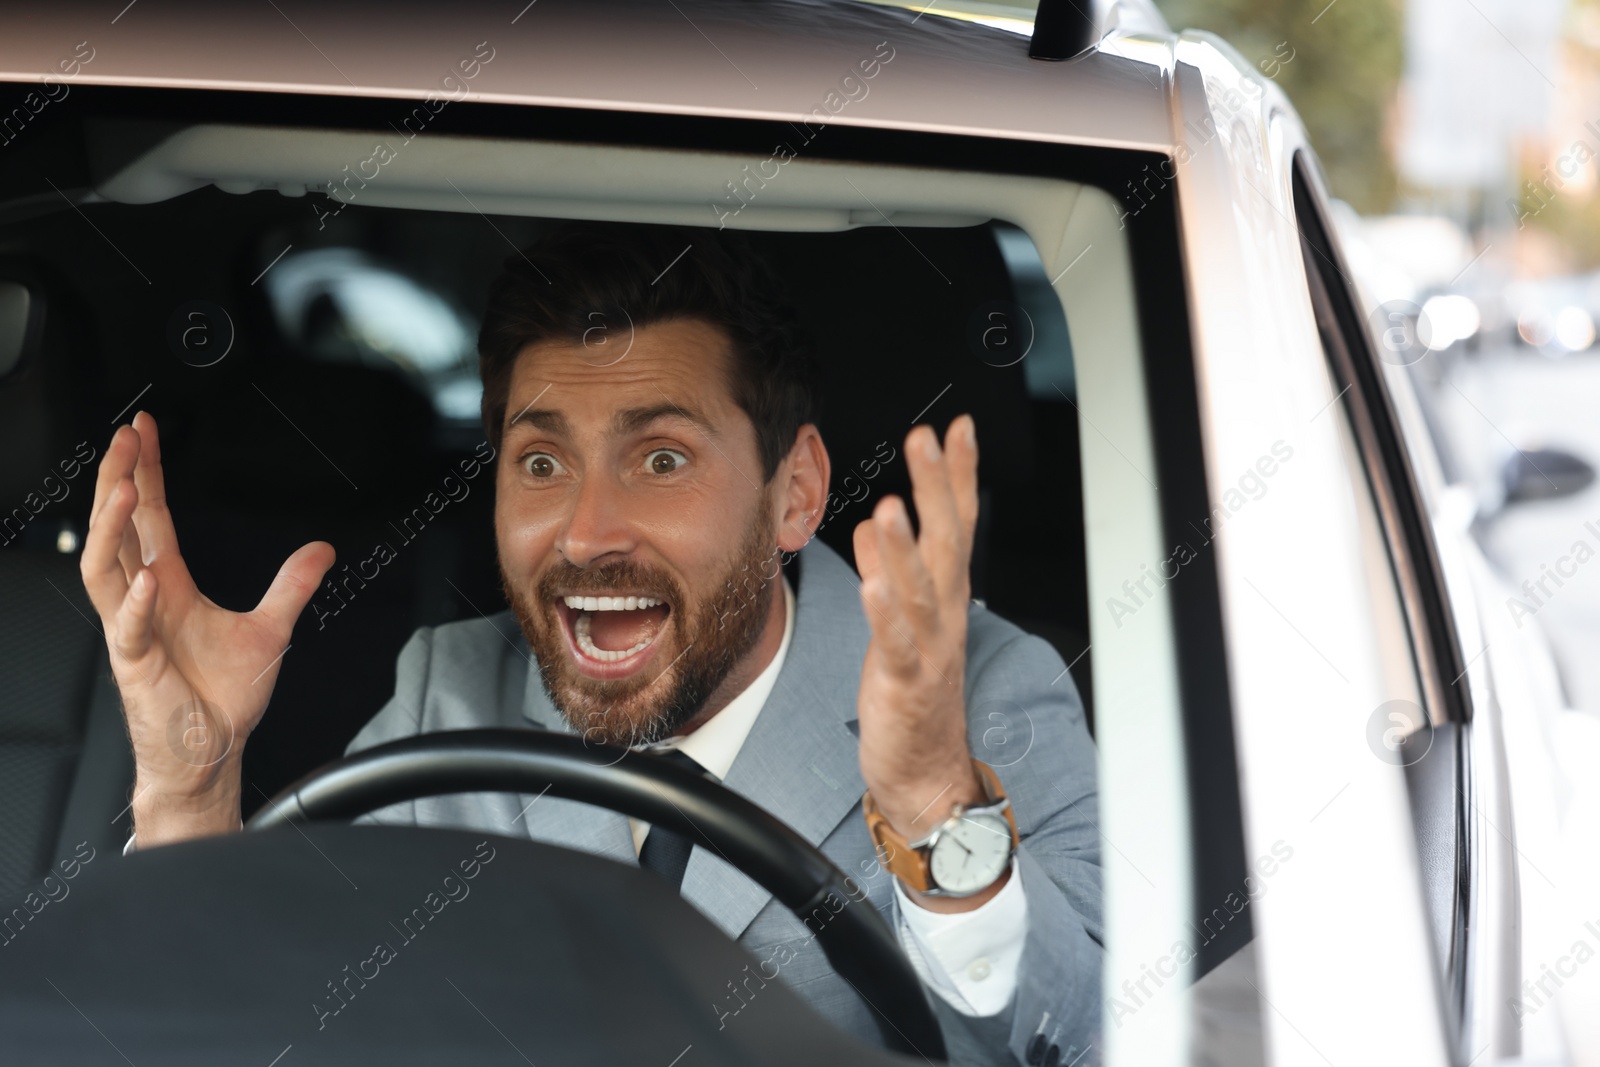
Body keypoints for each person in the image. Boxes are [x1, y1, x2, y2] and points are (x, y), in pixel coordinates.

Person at [81, 222, 1101, 1066]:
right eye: (539, 460)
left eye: (660, 458)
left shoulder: (984, 685)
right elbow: (254, 1022)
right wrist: (191, 789)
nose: (584, 530)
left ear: (794, 491)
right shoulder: (450, 690)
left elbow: (1089, 1033)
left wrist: (933, 808)